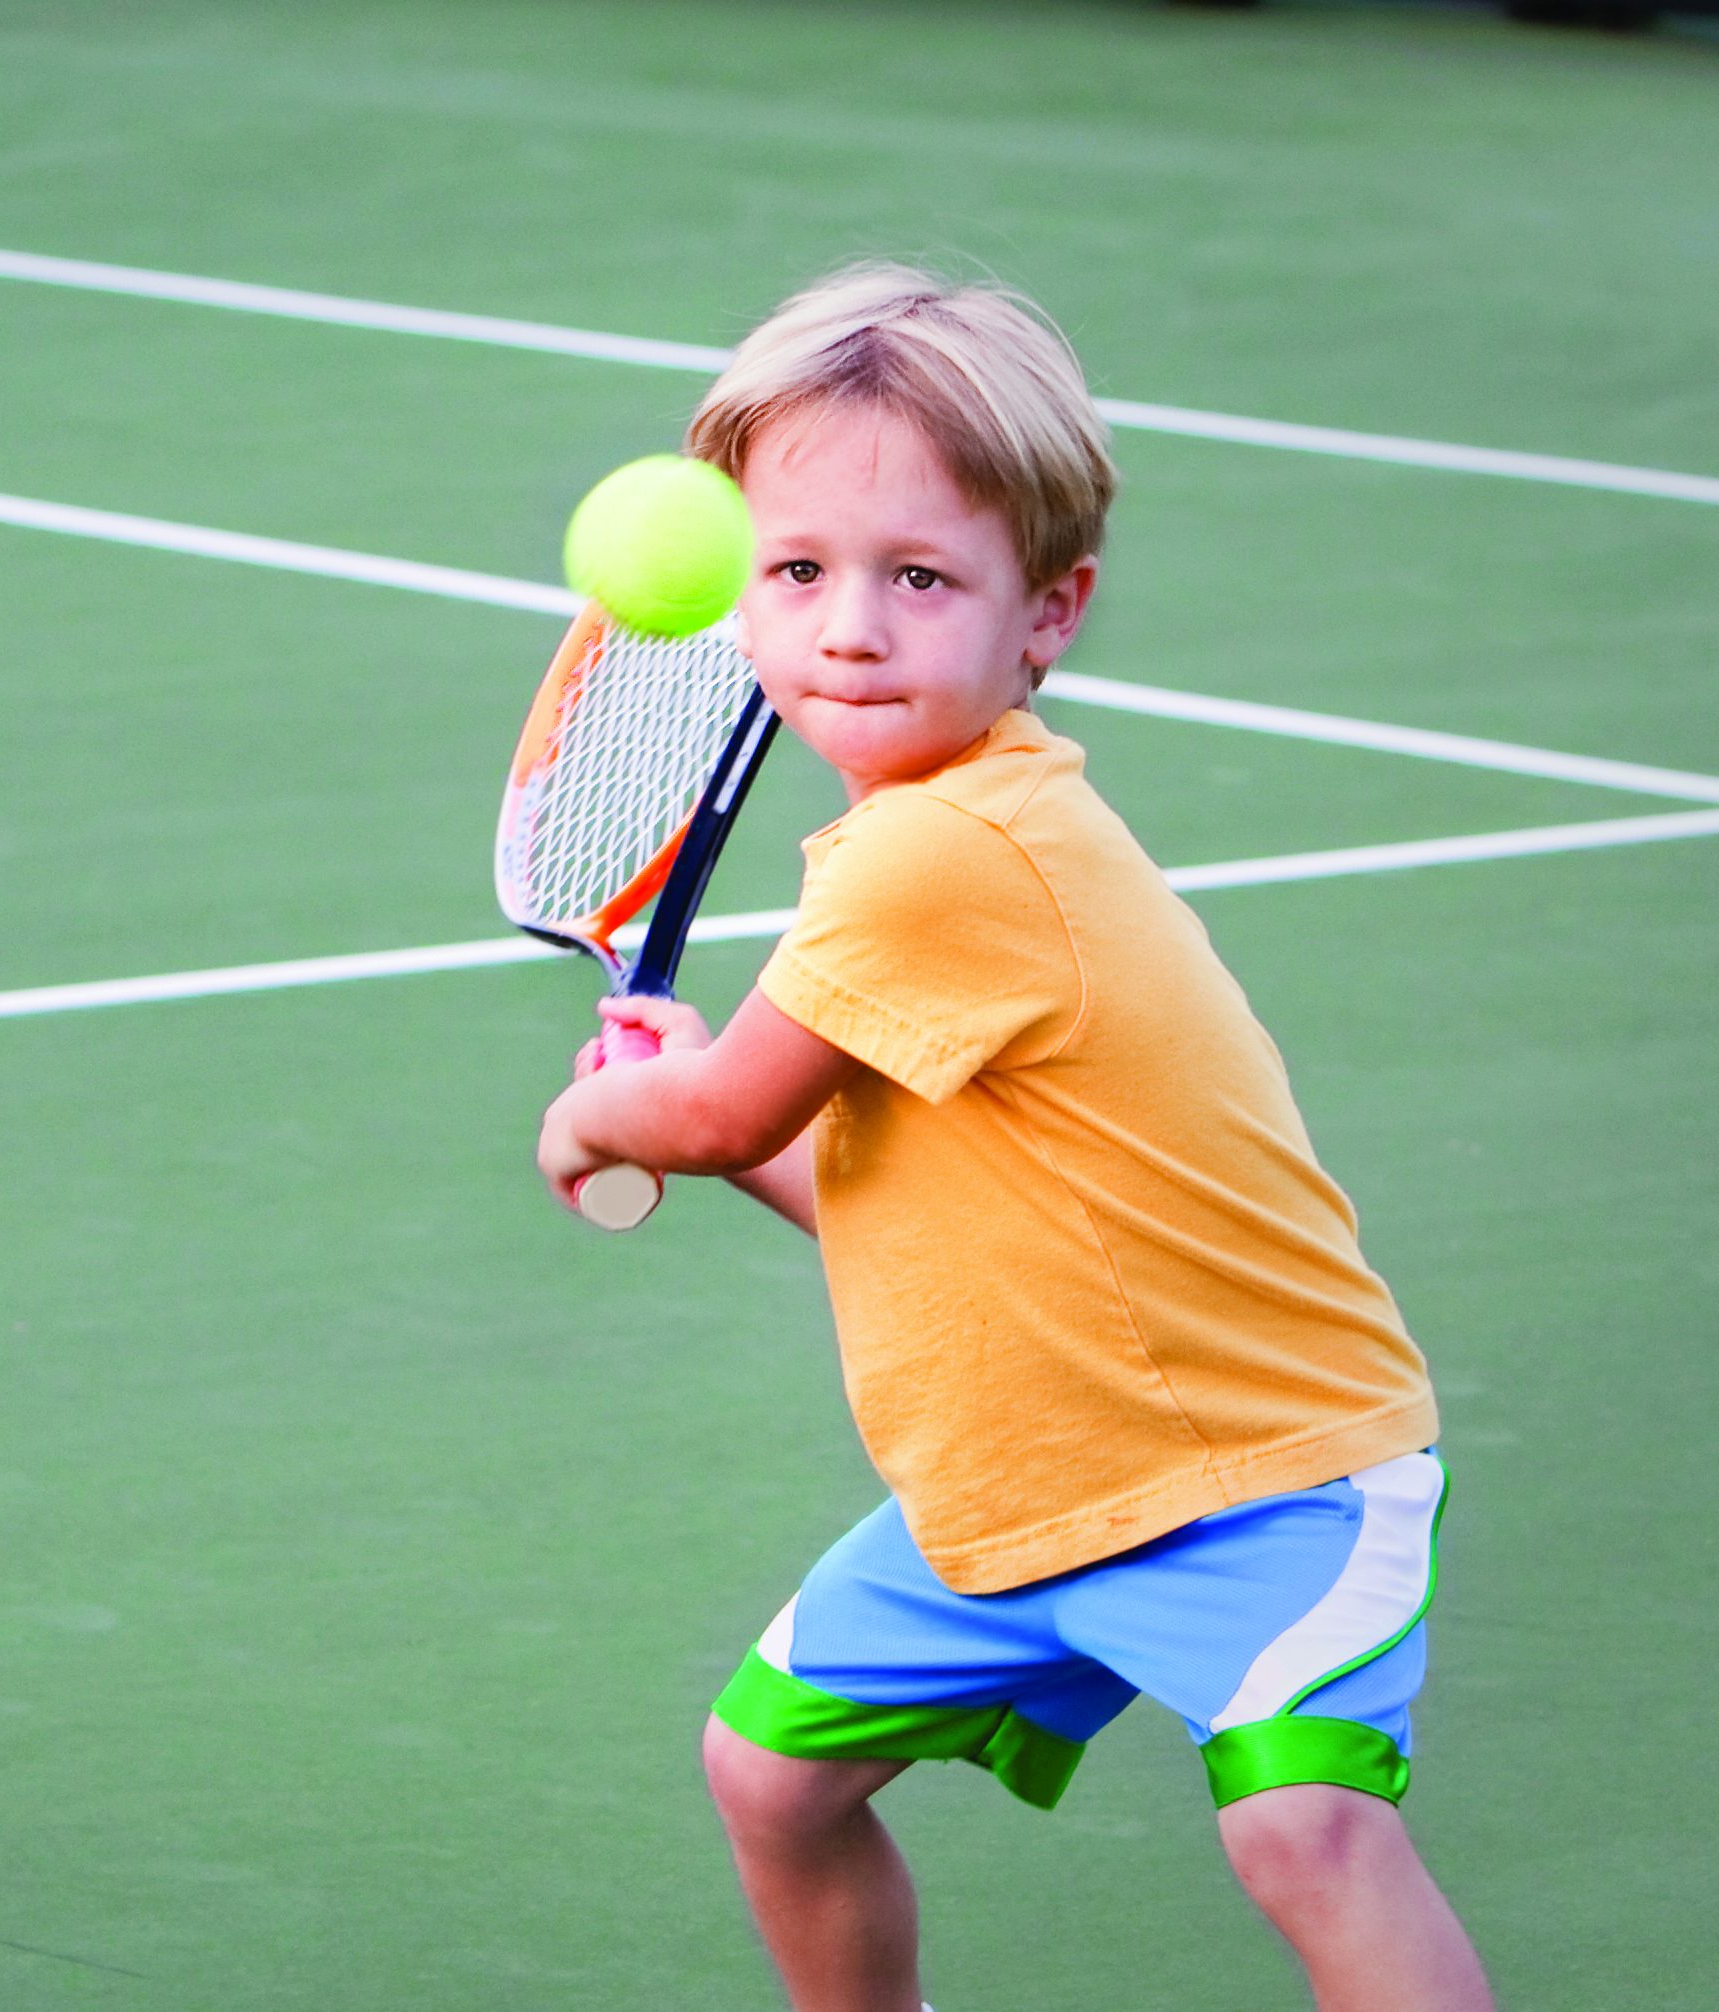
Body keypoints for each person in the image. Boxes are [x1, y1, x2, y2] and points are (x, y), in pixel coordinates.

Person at [534, 265, 1494, 2012]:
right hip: (1025, 1479)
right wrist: (702, 1110)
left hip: (1258, 1471)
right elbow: (880, 1201)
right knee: (773, 1777)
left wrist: (619, 1107)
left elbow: (730, 1105)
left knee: (1306, 1836)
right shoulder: (933, 843)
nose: (848, 628)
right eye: (797, 571)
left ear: (1047, 613)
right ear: (736, 601)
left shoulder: (938, 858)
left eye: (920, 578)